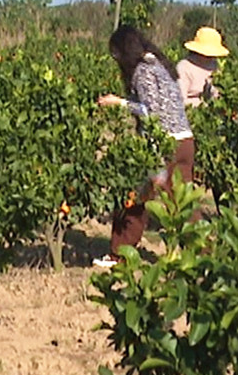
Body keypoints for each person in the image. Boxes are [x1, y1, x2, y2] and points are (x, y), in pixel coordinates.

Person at [95, 24, 194, 268]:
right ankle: (200, 253)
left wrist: (118, 102)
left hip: (163, 145)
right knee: (183, 203)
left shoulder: (142, 71)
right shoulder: (158, 65)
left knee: (135, 196)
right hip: (184, 140)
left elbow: (151, 110)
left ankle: (120, 253)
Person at [176, 26, 228, 107]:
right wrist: (201, 105)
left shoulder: (214, 65)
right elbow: (179, 100)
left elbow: (216, 92)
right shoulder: (184, 68)